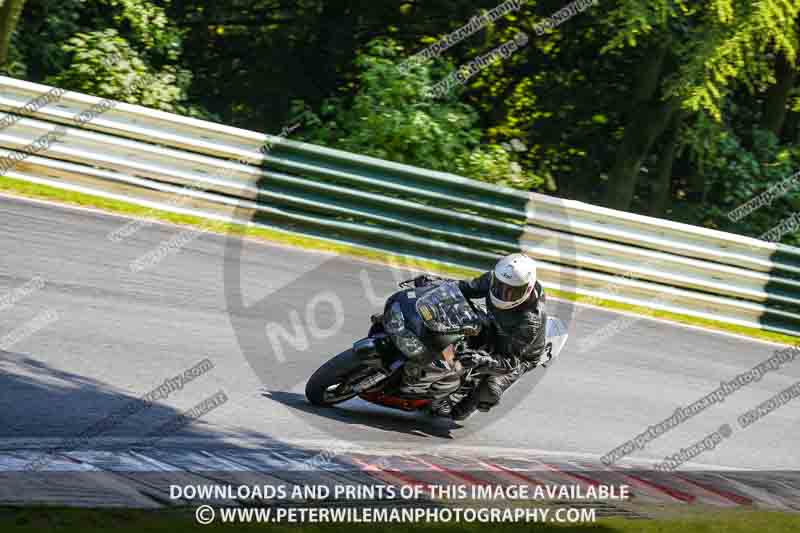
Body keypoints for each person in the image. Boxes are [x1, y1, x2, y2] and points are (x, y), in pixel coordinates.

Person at [449, 253, 548, 420]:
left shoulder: (530, 319)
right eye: (500, 287)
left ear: (528, 289)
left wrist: (483, 360)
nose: (503, 293)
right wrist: (437, 284)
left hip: (520, 353)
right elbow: (464, 288)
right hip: (494, 325)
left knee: (489, 389)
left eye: (511, 292)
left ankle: (473, 402)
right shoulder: (494, 279)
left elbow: (511, 361)